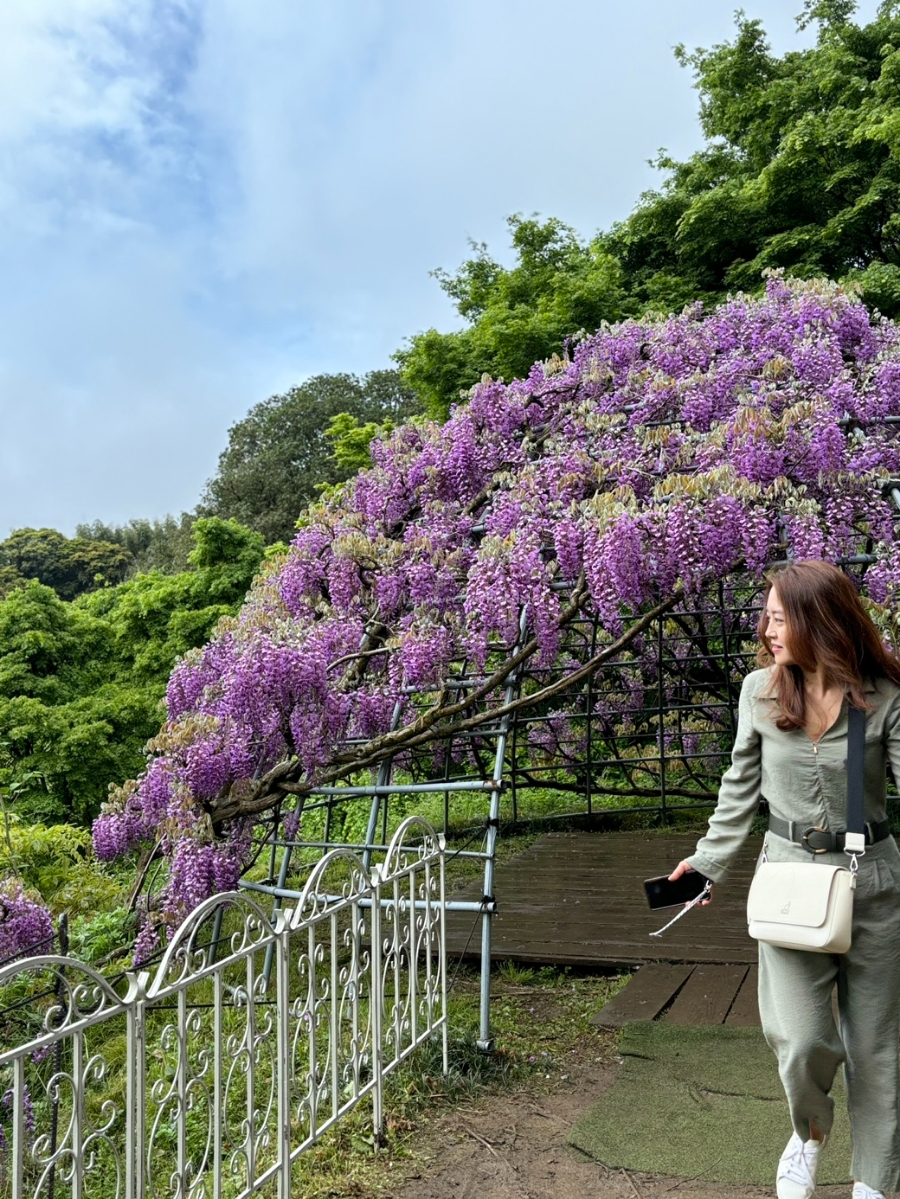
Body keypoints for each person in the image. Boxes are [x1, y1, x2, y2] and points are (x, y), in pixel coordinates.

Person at [669, 560, 900, 1199]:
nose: (766, 629)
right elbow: (739, 788)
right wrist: (708, 863)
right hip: (790, 886)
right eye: (766, 616)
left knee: (877, 1048)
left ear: (816, 621)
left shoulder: (884, 696)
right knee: (801, 1040)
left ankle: (873, 1182)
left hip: (874, 883)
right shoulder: (760, 693)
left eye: (777, 616)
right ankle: (811, 1133)